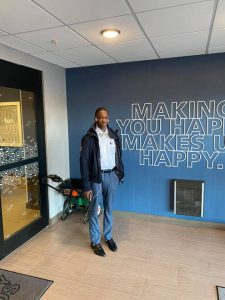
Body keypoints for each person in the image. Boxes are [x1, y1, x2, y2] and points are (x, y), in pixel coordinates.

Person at [80, 107, 124, 257]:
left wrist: (119, 174)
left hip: (111, 176)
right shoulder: (88, 138)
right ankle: (95, 241)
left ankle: (108, 236)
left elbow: (119, 157)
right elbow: (84, 163)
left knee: (109, 208)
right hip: (96, 179)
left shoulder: (114, 136)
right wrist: (86, 186)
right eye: (100, 117)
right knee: (94, 211)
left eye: (106, 117)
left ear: (108, 119)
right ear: (95, 119)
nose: (103, 119)